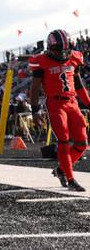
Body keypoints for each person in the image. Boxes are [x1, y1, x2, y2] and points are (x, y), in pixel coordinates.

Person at [30, 29, 90, 191]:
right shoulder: (41, 60)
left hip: (72, 102)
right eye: (59, 49)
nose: (63, 53)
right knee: (63, 139)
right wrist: (35, 111)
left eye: (66, 49)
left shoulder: (75, 57)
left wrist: (88, 103)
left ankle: (61, 170)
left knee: (82, 143)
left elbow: (78, 84)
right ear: (50, 47)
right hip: (55, 103)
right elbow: (34, 89)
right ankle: (70, 179)